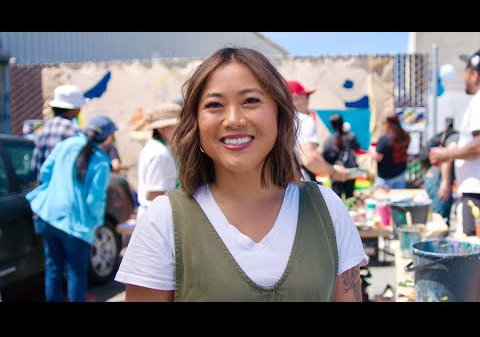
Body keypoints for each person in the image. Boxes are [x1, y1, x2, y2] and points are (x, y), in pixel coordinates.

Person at [115, 47, 368, 302]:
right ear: (196, 123)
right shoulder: (163, 221)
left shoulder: (328, 210)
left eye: (251, 101)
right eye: (214, 105)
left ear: (279, 114)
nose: (234, 120)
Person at [26, 115, 118, 302]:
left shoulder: (66, 145)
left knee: (54, 268)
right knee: (77, 271)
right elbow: (95, 200)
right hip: (76, 224)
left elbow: (45, 172)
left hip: (48, 215)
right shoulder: (101, 161)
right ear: (108, 138)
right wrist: (96, 223)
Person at [429, 49, 480, 236]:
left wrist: (447, 154)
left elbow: (478, 146)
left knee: (473, 256)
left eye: (465, 71)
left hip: (476, 193)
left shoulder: (478, 100)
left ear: (474, 74)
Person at [287, 80, 349, 184]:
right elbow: (309, 159)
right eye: (306, 96)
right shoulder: (303, 120)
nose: (308, 101)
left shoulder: (274, 120)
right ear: (295, 97)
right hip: (296, 181)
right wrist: (333, 171)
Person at [134, 102, 182, 219]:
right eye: (177, 127)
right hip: (158, 218)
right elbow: (154, 194)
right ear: (162, 129)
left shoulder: (159, 148)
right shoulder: (159, 154)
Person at [31, 84, 88, 182]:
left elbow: (35, 166)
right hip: (66, 188)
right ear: (72, 109)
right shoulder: (74, 131)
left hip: (46, 189)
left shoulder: (43, 131)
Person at [423, 117, 459, 224]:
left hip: (437, 178)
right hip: (438, 180)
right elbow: (446, 157)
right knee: (438, 219)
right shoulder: (457, 138)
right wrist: (445, 182)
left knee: (443, 218)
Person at [322, 113, 360, 199]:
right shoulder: (351, 136)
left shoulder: (329, 141)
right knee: (350, 197)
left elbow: (325, 157)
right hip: (350, 172)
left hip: (336, 172)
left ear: (331, 125)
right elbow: (357, 148)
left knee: (336, 198)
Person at [370, 114, 410, 189]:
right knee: (399, 198)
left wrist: (371, 149)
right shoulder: (405, 136)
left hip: (386, 177)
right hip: (401, 173)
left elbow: (377, 157)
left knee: (382, 199)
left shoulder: (385, 139)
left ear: (387, 124)